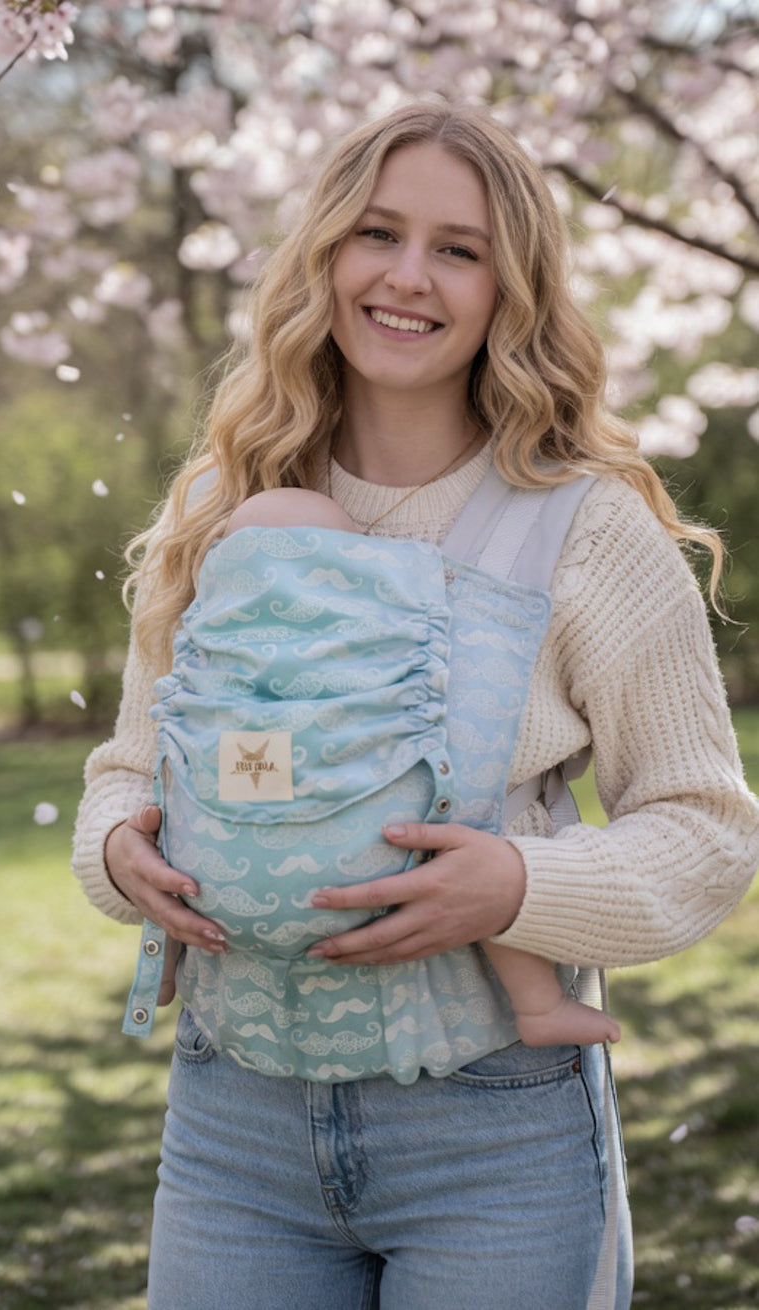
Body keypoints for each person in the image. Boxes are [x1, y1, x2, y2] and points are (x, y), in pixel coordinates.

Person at [72, 97, 759, 1310]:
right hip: (233, 1131)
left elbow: (706, 827)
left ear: (511, 288)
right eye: (375, 233)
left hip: (491, 1140)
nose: (406, 276)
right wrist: (118, 847)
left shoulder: (585, 533)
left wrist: (519, 887)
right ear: (323, 253)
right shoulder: (219, 509)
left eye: (458, 248)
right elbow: (132, 761)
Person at [151, 483, 622, 1050]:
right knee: (467, 823)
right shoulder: (382, 635)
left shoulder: (216, 649)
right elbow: (125, 767)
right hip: (388, 851)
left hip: (224, 861)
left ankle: (162, 968)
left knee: (190, 825)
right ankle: (538, 1003)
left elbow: (159, 756)